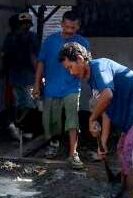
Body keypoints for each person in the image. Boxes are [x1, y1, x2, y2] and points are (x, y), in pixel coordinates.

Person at [58, 42, 133, 198]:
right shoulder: (92, 79)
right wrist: (103, 142)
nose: (70, 73)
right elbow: (107, 108)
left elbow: (108, 96)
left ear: (79, 59)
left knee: (132, 152)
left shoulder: (100, 67)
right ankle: (129, 186)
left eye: (70, 67)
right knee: (121, 149)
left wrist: (91, 118)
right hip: (132, 119)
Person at [32, 10, 90, 168]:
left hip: (72, 87)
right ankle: (54, 143)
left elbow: (86, 65)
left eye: (73, 28)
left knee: (72, 121)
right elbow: (41, 63)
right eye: (67, 27)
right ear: (61, 24)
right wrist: (37, 84)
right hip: (51, 87)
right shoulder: (50, 41)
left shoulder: (83, 42)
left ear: (78, 26)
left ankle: (73, 153)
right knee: (51, 123)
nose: (70, 31)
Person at [1, 12, 36, 140]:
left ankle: (16, 126)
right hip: (28, 76)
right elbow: (34, 57)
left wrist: (3, 71)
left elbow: (3, 55)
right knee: (29, 104)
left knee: (18, 102)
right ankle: (22, 127)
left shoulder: (10, 37)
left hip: (13, 75)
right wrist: (39, 74)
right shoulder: (32, 37)